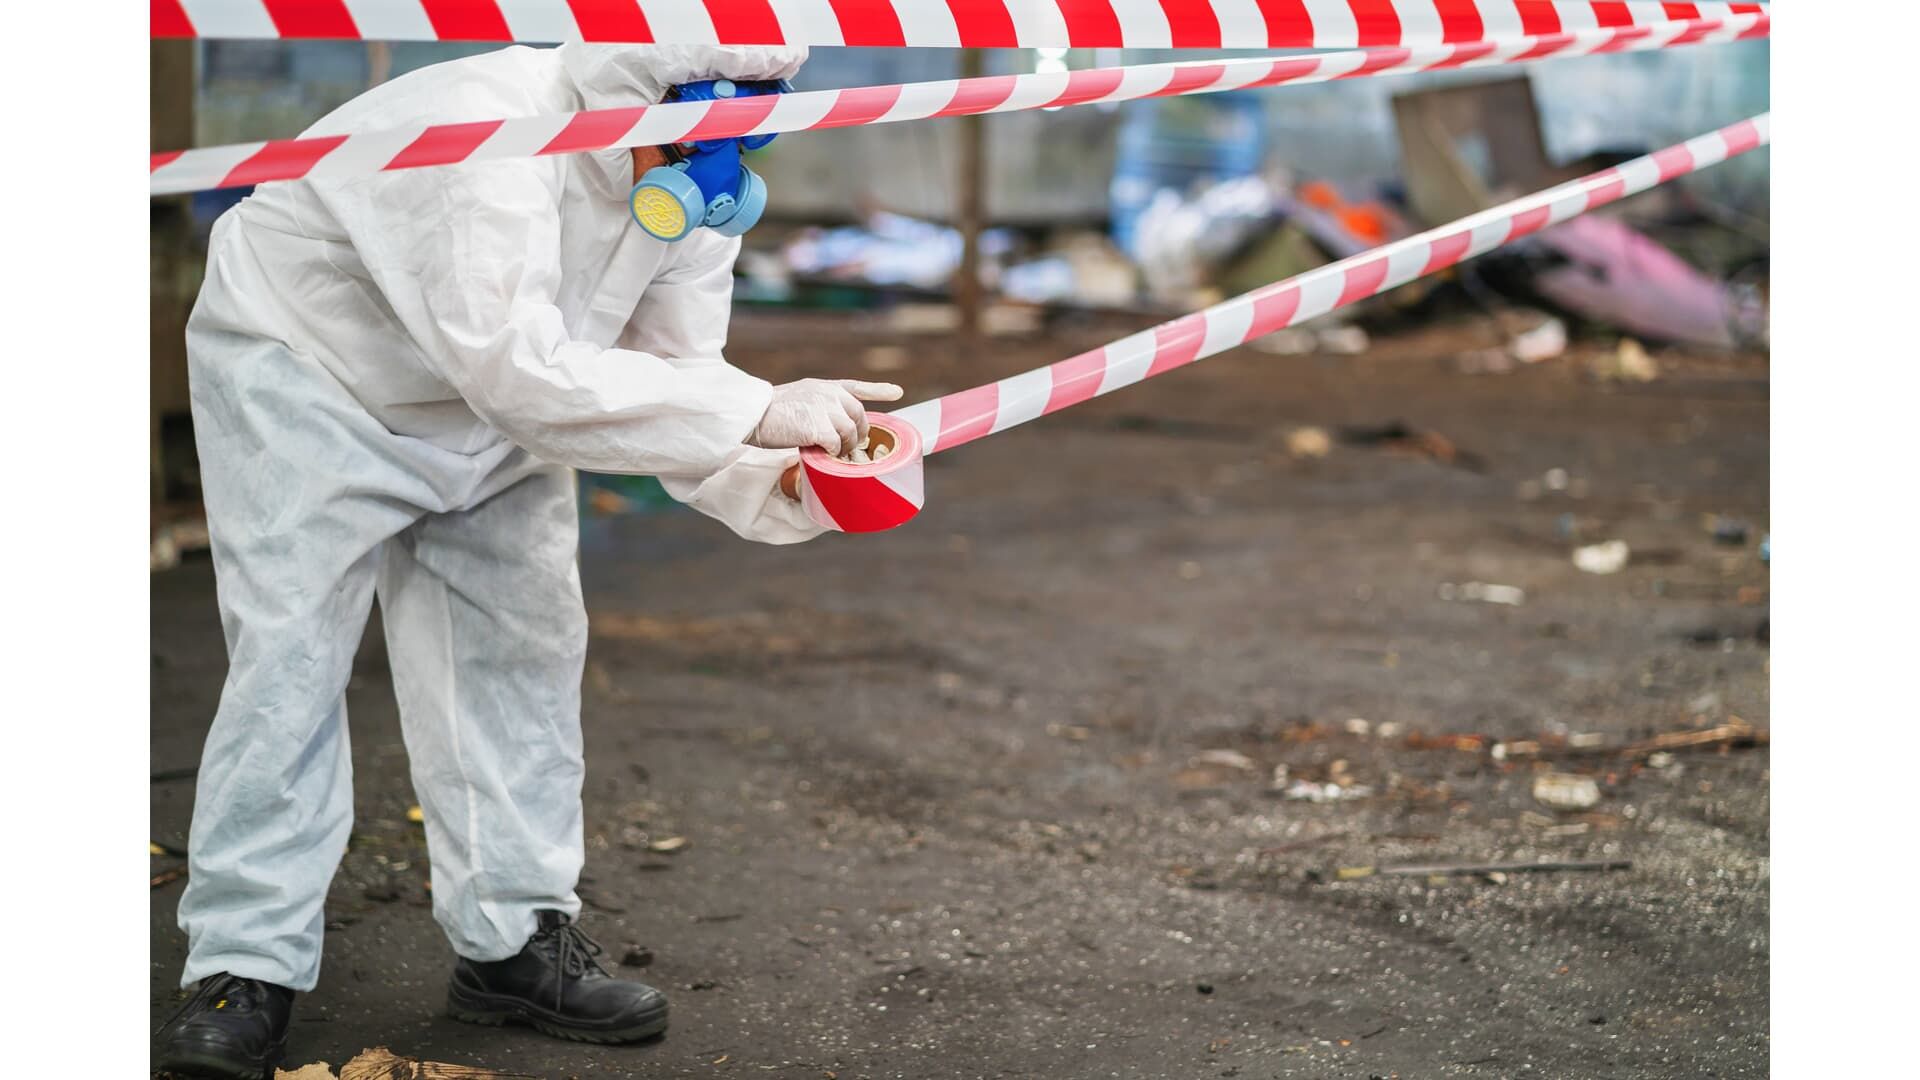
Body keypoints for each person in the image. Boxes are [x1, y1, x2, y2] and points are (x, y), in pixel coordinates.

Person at [154, 42, 898, 1080]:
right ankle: (243, 966)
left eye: (753, 124)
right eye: (712, 123)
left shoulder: (684, 168)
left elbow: (675, 377)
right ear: (635, 96)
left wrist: (781, 472)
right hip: (314, 370)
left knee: (522, 644)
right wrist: (756, 411)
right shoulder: (489, 140)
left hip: (494, 396)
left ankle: (510, 940)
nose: (721, 163)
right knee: (292, 659)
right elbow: (515, 368)